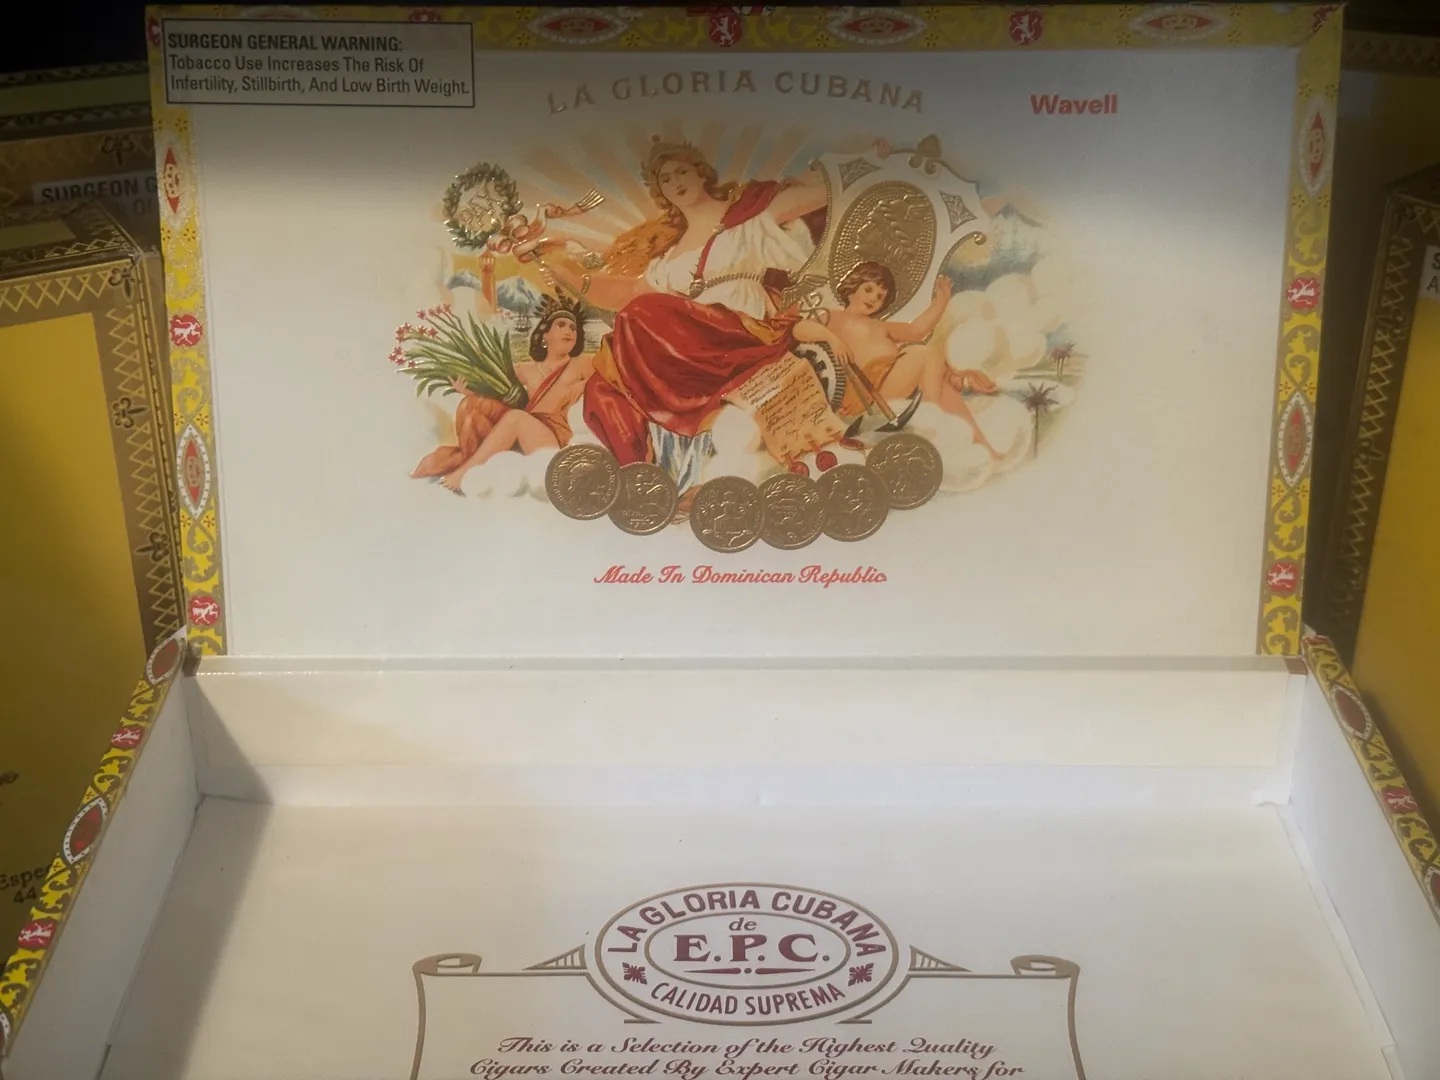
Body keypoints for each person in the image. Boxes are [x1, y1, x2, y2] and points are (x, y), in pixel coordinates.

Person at [538, 137, 829, 486]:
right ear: (660, 192)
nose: (675, 182)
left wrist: (854, 161)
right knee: (603, 388)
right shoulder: (670, 254)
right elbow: (630, 293)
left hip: (738, 335)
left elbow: (824, 192)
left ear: (701, 173)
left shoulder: (747, 219)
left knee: (642, 312)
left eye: (682, 171)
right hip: (686, 346)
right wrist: (567, 273)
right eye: (665, 178)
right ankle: (641, 479)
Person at [793, 261, 1001, 458]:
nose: (873, 298)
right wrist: (831, 339)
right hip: (858, 398)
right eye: (868, 289)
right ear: (853, 288)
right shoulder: (831, 317)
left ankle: (979, 441)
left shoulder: (881, 327)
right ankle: (936, 425)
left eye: (880, 296)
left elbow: (916, 331)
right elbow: (798, 329)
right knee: (926, 355)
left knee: (941, 380)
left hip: (885, 387)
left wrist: (941, 302)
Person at [411, 295, 593, 491]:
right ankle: (476, 463)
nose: (569, 331)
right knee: (471, 405)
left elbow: (606, 383)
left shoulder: (582, 363)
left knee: (516, 417)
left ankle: (464, 473)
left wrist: (579, 389)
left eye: (573, 328)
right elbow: (495, 388)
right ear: (545, 334)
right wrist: (468, 390)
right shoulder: (525, 368)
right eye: (561, 325)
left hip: (554, 440)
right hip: (521, 434)